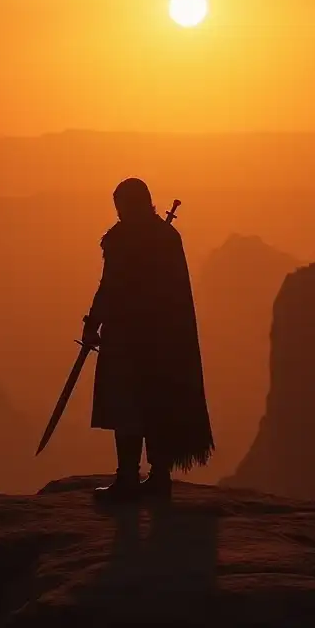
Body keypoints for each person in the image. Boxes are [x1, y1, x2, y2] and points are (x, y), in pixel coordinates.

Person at [82, 178, 214, 503]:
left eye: (123, 207)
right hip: (150, 340)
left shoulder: (143, 240)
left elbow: (116, 287)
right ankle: (143, 478)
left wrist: (96, 322)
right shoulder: (157, 238)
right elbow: (109, 285)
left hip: (139, 341)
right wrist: (94, 321)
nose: (120, 215)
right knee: (141, 406)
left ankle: (142, 479)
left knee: (141, 406)